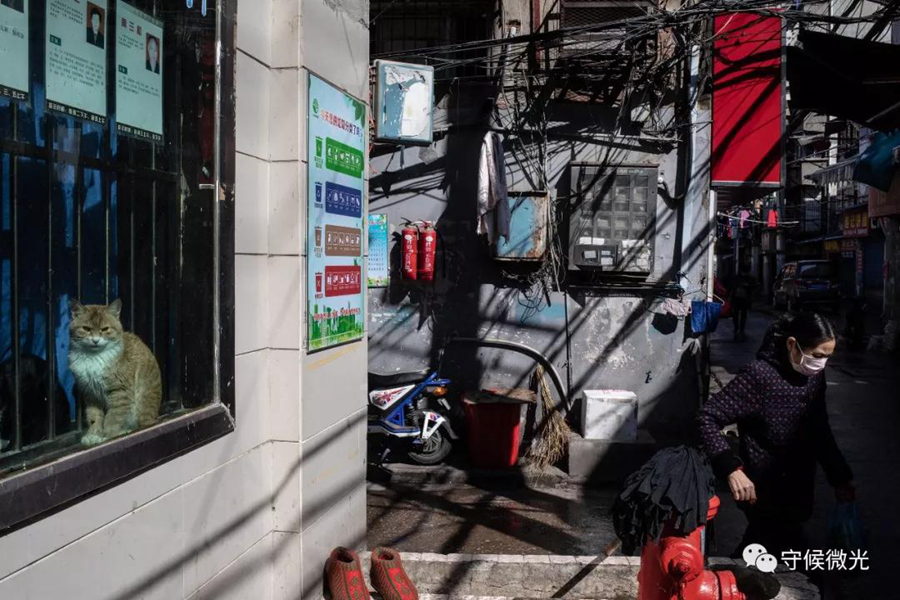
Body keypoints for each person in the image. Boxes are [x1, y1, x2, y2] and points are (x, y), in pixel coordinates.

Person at [697, 312, 855, 562]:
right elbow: (706, 417)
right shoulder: (759, 376)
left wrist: (840, 477)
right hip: (763, 492)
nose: (821, 364)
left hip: (799, 488)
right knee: (786, 556)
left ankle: (731, 575)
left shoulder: (814, 378)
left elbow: (819, 429)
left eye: (827, 357)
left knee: (761, 555)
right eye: (817, 356)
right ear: (792, 344)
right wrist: (731, 469)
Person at [728, 264, 755, 342]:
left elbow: (732, 287)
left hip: (737, 299)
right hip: (744, 299)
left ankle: (737, 330)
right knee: (743, 315)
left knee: (736, 315)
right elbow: (753, 288)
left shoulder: (736, 277)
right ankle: (740, 330)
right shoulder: (749, 278)